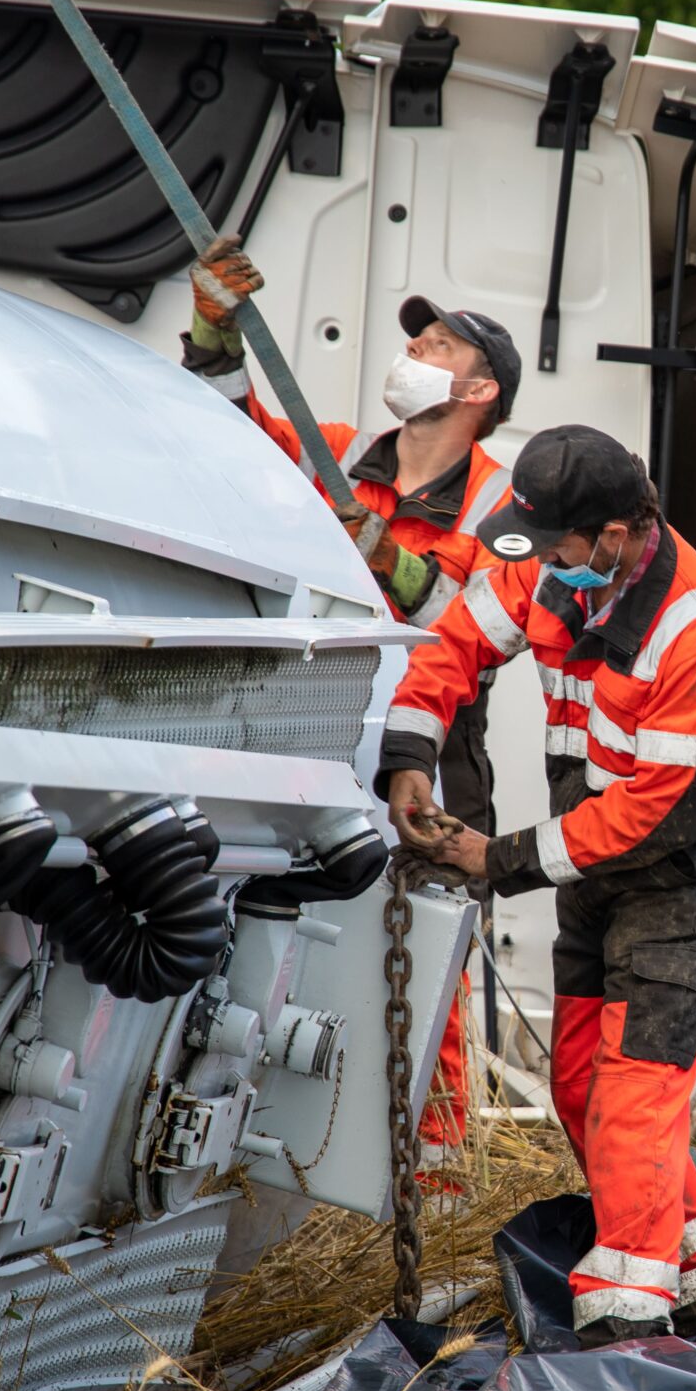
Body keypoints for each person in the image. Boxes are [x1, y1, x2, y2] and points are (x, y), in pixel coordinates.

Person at [378, 424, 696, 1346]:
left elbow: (656, 813)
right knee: (578, 1084)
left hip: (681, 885)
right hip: (595, 877)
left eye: (558, 542)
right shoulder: (553, 568)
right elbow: (453, 647)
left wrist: (498, 857)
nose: (543, 563)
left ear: (615, 534)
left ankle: (627, 1329)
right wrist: (409, 756)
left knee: (634, 1095)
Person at [182, 236, 518, 1165]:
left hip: (429, 758)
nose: (415, 357)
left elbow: (479, 615)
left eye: (440, 348)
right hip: (313, 736)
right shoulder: (335, 455)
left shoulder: (503, 505)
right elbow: (227, 432)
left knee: (425, 966)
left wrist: (394, 561)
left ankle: (438, 1181)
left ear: (482, 392)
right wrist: (213, 328)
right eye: (418, 344)